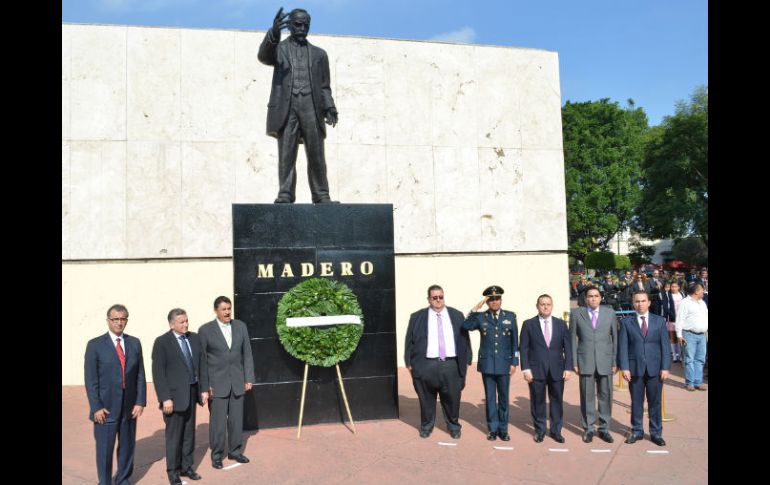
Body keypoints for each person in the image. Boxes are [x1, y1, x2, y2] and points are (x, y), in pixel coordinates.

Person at [258, 7, 338, 204]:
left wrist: (329, 107)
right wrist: (273, 33)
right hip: (287, 107)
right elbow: (263, 56)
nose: (302, 28)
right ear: (290, 26)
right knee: (286, 153)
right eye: (298, 25)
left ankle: (321, 194)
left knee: (316, 153)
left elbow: (324, 86)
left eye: (306, 25)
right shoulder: (279, 49)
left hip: (312, 106)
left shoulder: (320, 55)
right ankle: (285, 193)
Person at [84, 304, 147, 485]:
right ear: (108, 321)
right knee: (104, 450)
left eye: (123, 319)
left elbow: (140, 375)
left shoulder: (134, 343)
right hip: (105, 409)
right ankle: (105, 481)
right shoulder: (95, 345)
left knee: (127, 447)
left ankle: (123, 479)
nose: (119, 323)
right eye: (115, 319)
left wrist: (140, 401)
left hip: (129, 407)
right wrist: (96, 406)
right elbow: (91, 380)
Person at [404, 285, 472, 439]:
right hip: (426, 364)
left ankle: (454, 426)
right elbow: (409, 341)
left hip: (451, 364)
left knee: (453, 398)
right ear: (428, 299)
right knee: (426, 398)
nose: (438, 300)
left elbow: (464, 339)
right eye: (434, 297)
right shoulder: (417, 317)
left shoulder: (456, 315)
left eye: (441, 296)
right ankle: (427, 426)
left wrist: (467, 358)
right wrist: (408, 361)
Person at [152, 309, 209, 485]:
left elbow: (202, 364)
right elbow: (158, 373)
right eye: (181, 322)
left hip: (192, 393)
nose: (185, 324)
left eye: (186, 321)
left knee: (189, 434)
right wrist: (165, 398)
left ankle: (187, 467)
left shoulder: (195, 338)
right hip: (173, 398)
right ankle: (173, 471)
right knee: (174, 436)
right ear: (171, 324)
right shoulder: (162, 342)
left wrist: (204, 389)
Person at [199, 296, 256, 468]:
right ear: (216, 311)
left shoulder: (240, 326)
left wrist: (249, 377)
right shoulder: (206, 330)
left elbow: (247, 353)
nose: (227, 312)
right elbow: (202, 360)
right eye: (223, 309)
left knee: (236, 420)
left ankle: (235, 451)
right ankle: (217, 455)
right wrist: (205, 385)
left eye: (229, 308)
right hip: (217, 384)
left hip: (238, 381)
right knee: (217, 423)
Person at [462, 286, 518, 441]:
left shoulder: (510, 316)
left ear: (501, 299)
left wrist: (514, 362)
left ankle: (503, 430)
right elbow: (465, 326)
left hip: (505, 364)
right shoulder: (481, 317)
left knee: (504, 399)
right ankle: (492, 429)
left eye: (497, 298)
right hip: (487, 365)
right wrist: (475, 308)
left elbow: (515, 342)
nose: (495, 302)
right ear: (487, 302)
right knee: (491, 398)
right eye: (491, 299)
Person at [618, 291, 671, 446]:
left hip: (656, 369)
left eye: (643, 301)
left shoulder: (659, 321)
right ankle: (637, 431)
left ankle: (656, 433)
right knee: (636, 402)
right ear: (633, 303)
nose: (640, 304)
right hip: (634, 369)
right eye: (637, 301)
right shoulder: (626, 322)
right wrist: (625, 367)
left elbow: (665, 346)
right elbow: (623, 347)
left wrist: (666, 367)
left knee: (655, 403)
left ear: (649, 303)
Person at [520, 294, 573, 443]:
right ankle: (540, 430)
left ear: (552, 306)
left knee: (557, 401)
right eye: (542, 304)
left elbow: (567, 348)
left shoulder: (561, 324)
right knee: (538, 402)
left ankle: (556, 431)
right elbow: (523, 348)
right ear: (537, 306)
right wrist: (526, 369)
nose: (545, 307)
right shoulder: (528, 324)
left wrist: (568, 367)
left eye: (548, 304)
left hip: (557, 369)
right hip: (536, 370)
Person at [569, 287, 617, 444]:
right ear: (586, 298)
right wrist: (574, 362)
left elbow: (615, 339)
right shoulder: (576, 314)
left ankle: (604, 428)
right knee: (587, 397)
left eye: (596, 296)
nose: (593, 299)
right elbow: (572, 340)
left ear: (601, 298)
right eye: (590, 296)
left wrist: (615, 361)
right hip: (585, 361)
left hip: (605, 361)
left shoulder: (610, 313)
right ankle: (588, 428)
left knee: (606, 396)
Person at [675, 283, 708, 391]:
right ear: (696, 291)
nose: (704, 292)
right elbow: (679, 319)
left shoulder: (702, 303)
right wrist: (679, 335)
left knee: (700, 359)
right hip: (689, 334)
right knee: (689, 359)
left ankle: (698, 382)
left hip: (702, 335)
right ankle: (690, 382)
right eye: (702, 290)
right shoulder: (685, 302)